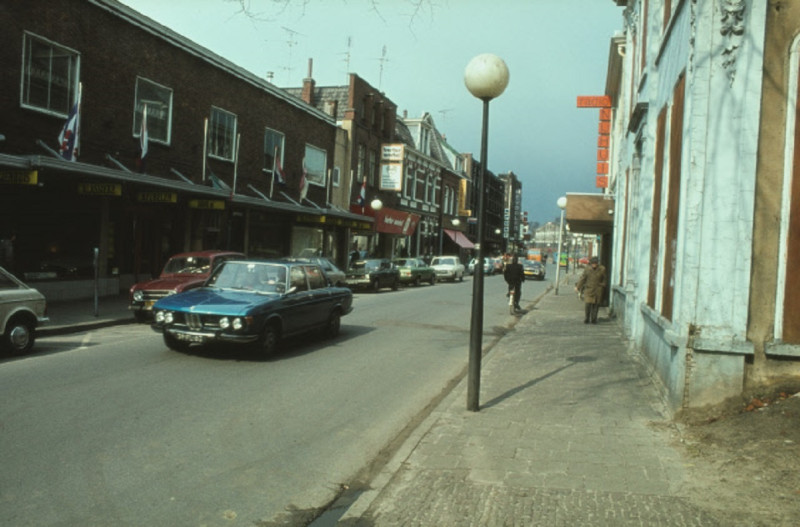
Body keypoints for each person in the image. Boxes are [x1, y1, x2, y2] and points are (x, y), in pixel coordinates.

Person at [575, 256, 606, 324]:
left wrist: (603, 285)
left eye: (595, 263)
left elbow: (604, 279)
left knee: (596, 305)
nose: (594, 265)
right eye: (593, 263)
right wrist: (578, 287)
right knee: (588, 304)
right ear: (590, 264)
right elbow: (583, 278)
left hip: (598, 290)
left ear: (597, 263)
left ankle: (594, 319)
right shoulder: (587, 269)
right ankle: (587, 318)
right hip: (589, 289)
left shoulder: (602, 269)